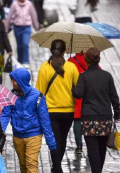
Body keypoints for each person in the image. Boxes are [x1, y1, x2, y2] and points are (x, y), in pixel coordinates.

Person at [72, 47, 120, 173]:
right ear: (98, 59)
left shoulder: (84, 77)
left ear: (86, 60)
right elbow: (114, 97)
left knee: (92, 150)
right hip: (105, 117)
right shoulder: (107, 76)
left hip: (89, 119)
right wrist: (117, 115)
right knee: (102, 148)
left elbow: (78, 94)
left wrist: (72, 86)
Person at [0, 68, 57, 173]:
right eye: (12, 79)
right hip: (18, 136)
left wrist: (51, 143)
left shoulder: (37, 97)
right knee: (23, 166)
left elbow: (44, 120)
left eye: (15, 80)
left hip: (33, 135)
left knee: (31, 166)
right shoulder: (11, 96)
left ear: (22, 81)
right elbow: (5, 115)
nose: (12, 82)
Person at [35, 39, 79, 173]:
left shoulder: (44, 67)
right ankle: (57, 166)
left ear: (51, 50)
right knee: (63, 139)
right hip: (68, 111)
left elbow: (39, 92)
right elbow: (78, 89)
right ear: (65, 51)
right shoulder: (72, 67)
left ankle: (57, 167)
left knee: (54, 140)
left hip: (51, 111)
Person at [5, 0, 39, 68]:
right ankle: (20, 61)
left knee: (25, 44)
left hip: (26, 27)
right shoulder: (14, 4)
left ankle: (26, 61)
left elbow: (33, 16)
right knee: (19, 45)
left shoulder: (29, 4)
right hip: (17, 27)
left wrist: (36, 27)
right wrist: (6, 29)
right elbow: (9, 16)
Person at [67, 52, 87, 154]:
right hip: (88, 96)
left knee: (77, 120)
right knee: (89, 120)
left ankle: (79, 145)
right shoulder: (90, 60)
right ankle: (90, 144)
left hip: (76, 95)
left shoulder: (72, 61)